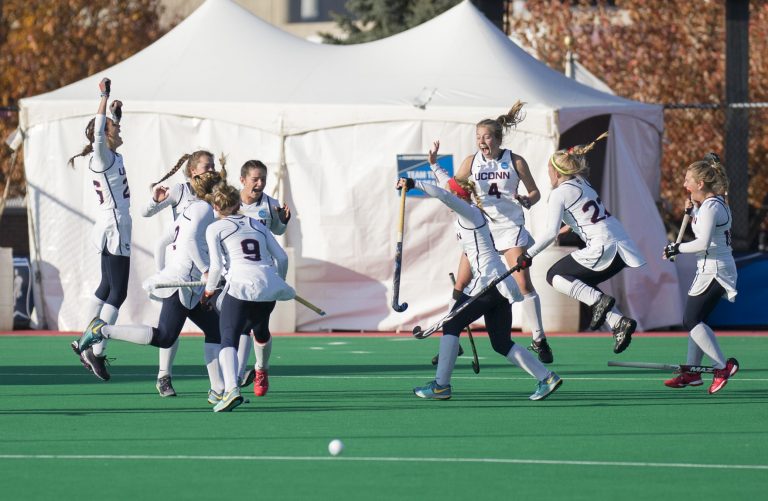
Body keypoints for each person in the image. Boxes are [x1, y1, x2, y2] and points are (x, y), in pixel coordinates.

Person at [405, 141, 562, 401]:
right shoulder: (471, 208)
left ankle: (441, 386)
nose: (450, 196)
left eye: (454, 194)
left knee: (452, 323)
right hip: (499, 285)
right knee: (501, 343)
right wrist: (434, 166)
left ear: (460, 197)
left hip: (488, 284)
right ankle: (546, 377)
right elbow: (449, 187)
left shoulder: (468, 213)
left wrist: (414, 183)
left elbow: (445, 194)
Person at [73, 168, 226, 406]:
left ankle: (219, 389)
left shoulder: (192, 208)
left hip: (185, 281)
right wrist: (207, 271)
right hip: (182, 282)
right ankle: (102, 330)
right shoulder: (203, 209)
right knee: (165, 337)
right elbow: (190, 243)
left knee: (216, 330)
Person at [515, 132, 644, 354]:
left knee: (554, 275)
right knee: (581, 284)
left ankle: (601, 303)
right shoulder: (584, 183)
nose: (548, 174)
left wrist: (528, 255)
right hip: (621, 245)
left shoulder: (558, 194)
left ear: (556, 171)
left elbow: (549, 233)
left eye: (549, 169)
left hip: (604, 246)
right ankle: (618, 323)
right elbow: (582, 217)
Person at [451, 102, 553, 363]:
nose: (481, 142)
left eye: (486, 137)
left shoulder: (515, 160)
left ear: (497, 138)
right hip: (481, 230)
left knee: (522, 283)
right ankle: (452, 335)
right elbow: (454, 189)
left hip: (509, 228)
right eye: (477, 138)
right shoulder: (470, 162)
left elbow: (535, 192)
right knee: (462, 283)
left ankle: (539, 339)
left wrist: (529, 200)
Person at [203, 182, 295, 412]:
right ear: (238, 204)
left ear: (216, 205)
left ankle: (231, 389)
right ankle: (261, 370)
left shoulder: (214, 228)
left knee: (228, 337)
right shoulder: (257, 224)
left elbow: (215, 268)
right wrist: (278, 283)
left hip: (241, 286)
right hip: (268, 284)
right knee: (260, 331)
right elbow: (282, 259)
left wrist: (208, 291)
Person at [67, 77, 129, 381]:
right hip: (116, 223)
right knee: (119, 291)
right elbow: (101, 132)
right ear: (103, 134)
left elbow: (105, 130)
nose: (118, 129)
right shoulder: (101, 153)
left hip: (111, 222)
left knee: (106, 286)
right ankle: (94, 349)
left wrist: (115, 114)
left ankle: (84, 342)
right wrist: (104, 98)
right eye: (115, 127)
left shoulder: (108, 154)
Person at [661, 154, 739, 394]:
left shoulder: (712, 207)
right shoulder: (710, 205)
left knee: (690, 320)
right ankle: (693, 372)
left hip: (714, 269)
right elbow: (705, 228)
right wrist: (694, 207)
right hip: (708, 268)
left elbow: (703, 242)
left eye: (688, 180)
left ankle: (721, 366)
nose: (685, 185)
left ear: (700, 184)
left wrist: (676, 247)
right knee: (696, 320)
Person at [142, 150, 217, 397]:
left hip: (198, 272)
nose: (212, 170)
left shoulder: (212, 195)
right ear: (193, 170)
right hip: (182, 269)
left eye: (213, 166)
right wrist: (154, 200)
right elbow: (147, 213)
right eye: (207, 166)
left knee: (214, 327)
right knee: (169, 331)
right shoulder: (180, 190)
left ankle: (224, 382)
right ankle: (164, 375)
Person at [235, 160, 292, 396]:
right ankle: (234, 379)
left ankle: (261, 368)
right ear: (243, 180)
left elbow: (278, 232)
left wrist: (283, 221)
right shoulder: (230, 203)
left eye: (263, 179)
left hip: (263, 274)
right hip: (236, 275)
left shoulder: (270, 204)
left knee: (259, 329)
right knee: (238, 326)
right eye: (255, 179)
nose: (259, 184)